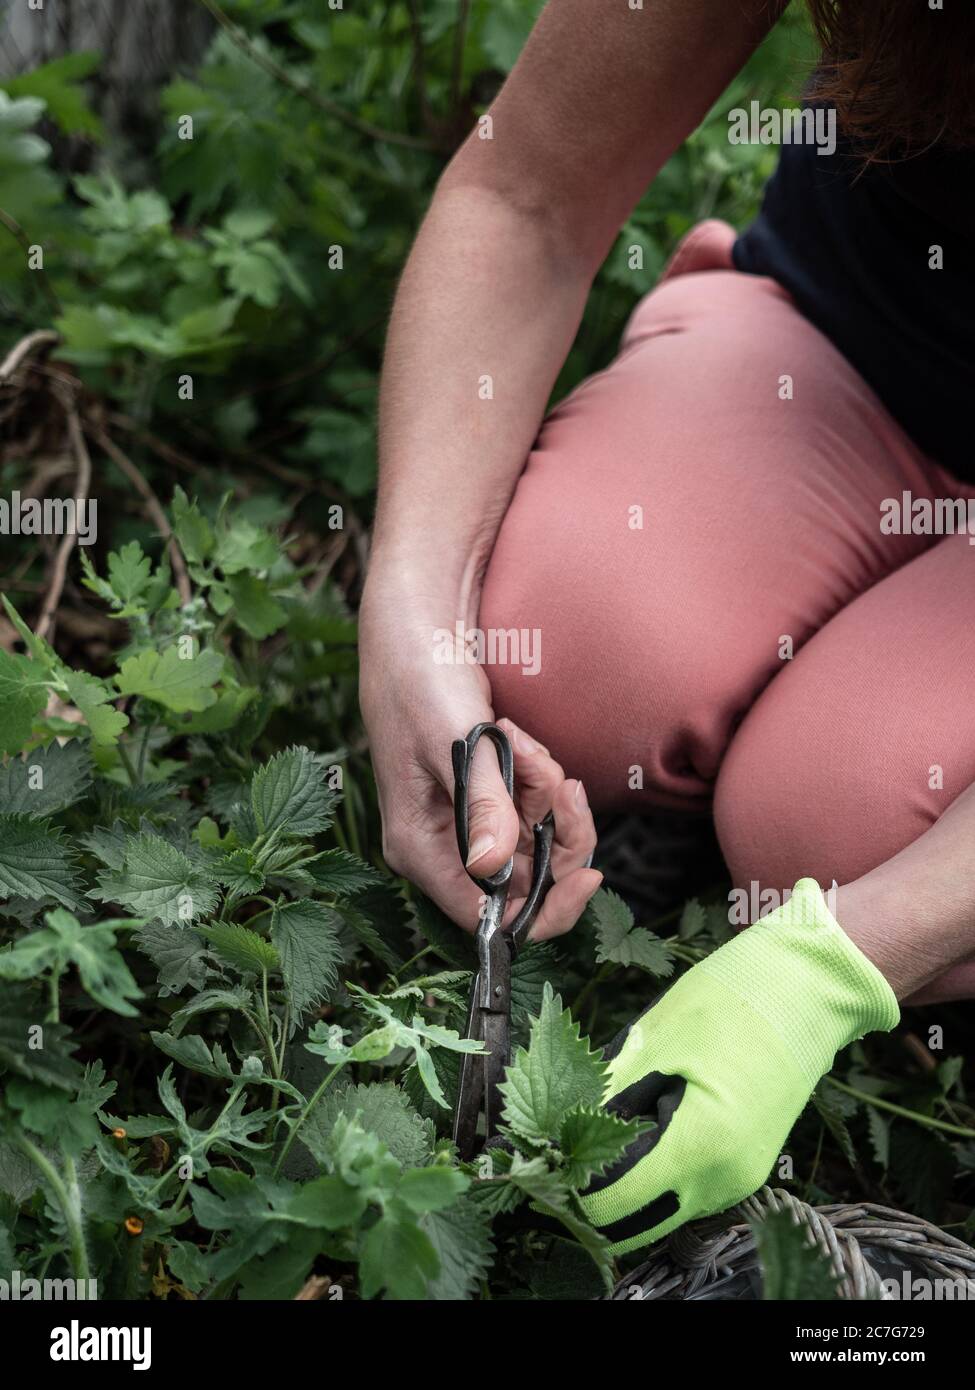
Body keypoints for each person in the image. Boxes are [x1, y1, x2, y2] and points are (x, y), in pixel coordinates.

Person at [359, 0, 975, 1254]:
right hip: (847, 354)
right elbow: (526, 193)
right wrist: (411, 611)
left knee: (835, 823)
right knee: (564, 641)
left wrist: (846, 958)